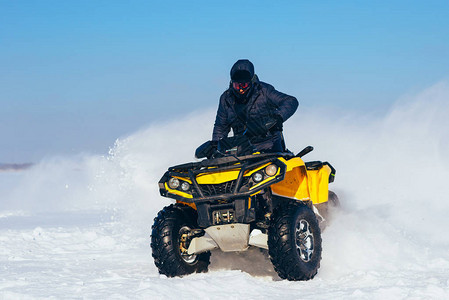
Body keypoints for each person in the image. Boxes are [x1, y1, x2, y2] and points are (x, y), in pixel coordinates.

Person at [212, 59, 299, 153]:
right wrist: (216, 146)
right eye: (237, 86)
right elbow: (220, 126)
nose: (241, 90)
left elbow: (291, 101)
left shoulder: (264, 91)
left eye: (244, 85)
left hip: (270, 147)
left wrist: (278, 118)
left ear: (251, 81)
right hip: (242, 150)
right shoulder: (226, 98)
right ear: (231, 83)